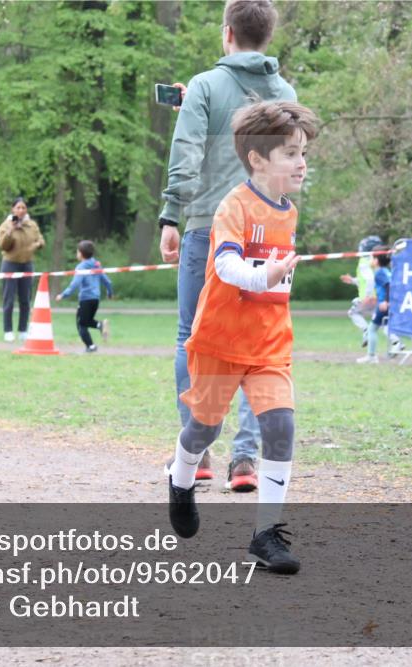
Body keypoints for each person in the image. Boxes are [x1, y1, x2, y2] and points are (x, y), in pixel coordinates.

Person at [167, 100, 319, 575]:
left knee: (280, 426)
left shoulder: (289, 213)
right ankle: (181, 478)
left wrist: (275, 277)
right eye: (291, 153)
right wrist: (266, 274)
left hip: (269, 346)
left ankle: (265, 534)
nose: (301, 163)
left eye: (304, 153)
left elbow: (273, 280)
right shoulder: (234, 205)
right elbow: (227, 266)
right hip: (219, 341)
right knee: (204, 428)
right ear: (258, 159)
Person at [159, 0, 295, 490]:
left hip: (207, 224)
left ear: (227, 34)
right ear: (267, 38)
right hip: (266, 229)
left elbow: (188, 149)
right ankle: (245, 460)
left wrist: (171, 212)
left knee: (189, 336)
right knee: (258, 345)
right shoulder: (284, 92)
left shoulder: (205, 85)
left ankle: (196, 453)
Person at [356, 248, 412, 364]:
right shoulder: (386, 271)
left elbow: (389, 286)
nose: (370, 261)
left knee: (372, 329)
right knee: (392, 328)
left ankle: (371, 356)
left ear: (376, 261)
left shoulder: (380, 273)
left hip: (384, 305)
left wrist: (385, 301)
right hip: (392, 303)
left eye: (372, 258)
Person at [0, 197, 45, 342]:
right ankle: (8, 331)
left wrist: (36, 246)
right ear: (13, 210)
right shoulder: (6, 225)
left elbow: (41, 240)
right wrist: (10, 231)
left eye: (23, 208)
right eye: (18, 208)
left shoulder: (32, 225)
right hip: (10, 264)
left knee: (25, 299)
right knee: (9, 299)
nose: (21, 210)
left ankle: (23, 330)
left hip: (27, 264)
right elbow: (2, 245)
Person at [55, 240, 112, 353]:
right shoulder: (96, 265)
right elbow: (107, 281)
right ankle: (100, 325)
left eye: (77, 251)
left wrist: (63, 295)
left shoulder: (81, 267)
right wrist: (109, 292)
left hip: (85, 299)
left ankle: (90, 347)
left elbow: (75, 284)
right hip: (96, 299)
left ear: (80, 253)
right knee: (87, 321)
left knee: (81, 324)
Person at [339, 235, 381, 347]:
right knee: (382, 321)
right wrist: (352, 280)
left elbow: (369, 279)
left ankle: (366, 331)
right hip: (380, 296)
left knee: (353, 313)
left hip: (370, 297)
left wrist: (368, 295)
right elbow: (365, 280)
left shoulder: (364, 261)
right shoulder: (378, 260)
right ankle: (397, 342)